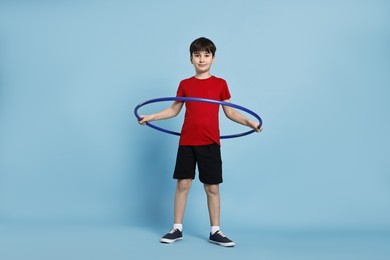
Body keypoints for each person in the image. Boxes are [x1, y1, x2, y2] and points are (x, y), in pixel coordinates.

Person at [138, 37, 262, 247]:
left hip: (210, 142)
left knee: (212, 187)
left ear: (213, 59)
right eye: (197, 55)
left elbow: (230, 112)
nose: (202, 59)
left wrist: (249, 122)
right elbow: (173, 110)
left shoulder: (220, 84)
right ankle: (177, 228)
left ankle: (216, 231)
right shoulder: (185, 84)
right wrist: (150, 117)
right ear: (191, 59)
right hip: (187, 142)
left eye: (206, 55)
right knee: (183, 184)